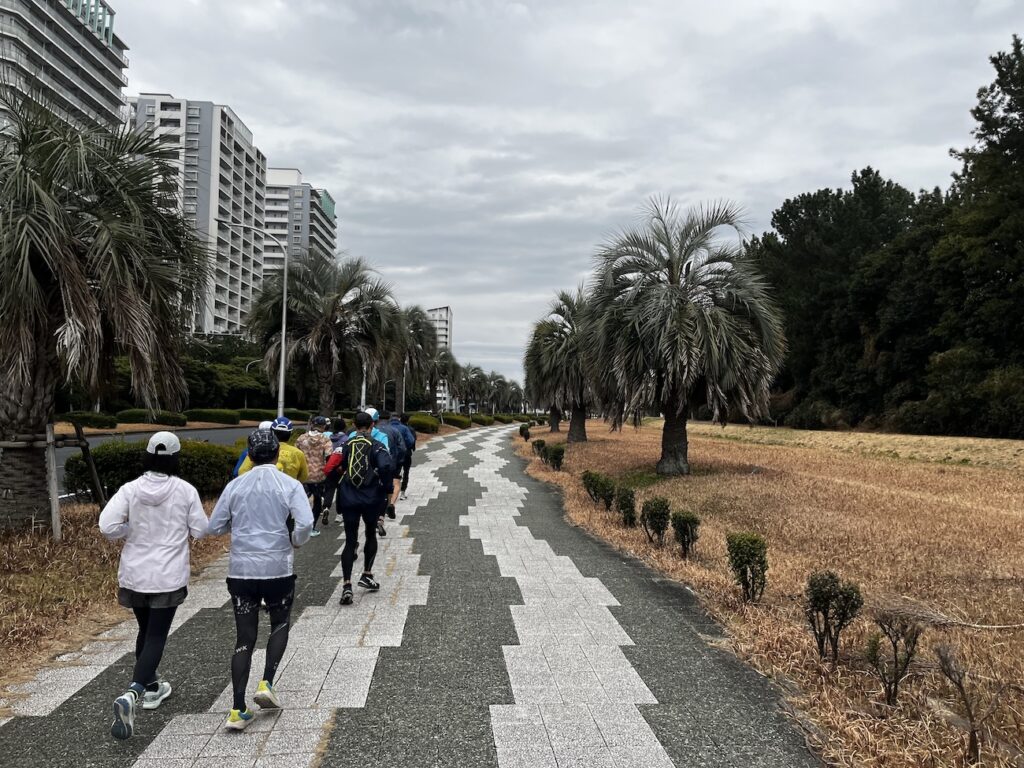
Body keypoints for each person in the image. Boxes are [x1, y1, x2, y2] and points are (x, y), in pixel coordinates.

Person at [99, 432, 209, 740]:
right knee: (157, 635)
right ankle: (133, 692)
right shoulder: (185, 490)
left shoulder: (130, 490)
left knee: (145, 632)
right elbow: (201, 530)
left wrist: (129, 529)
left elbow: (107, 526)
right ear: (175, 458)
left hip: (135, 573)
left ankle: (152, 687)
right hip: (168, 575)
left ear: (147, 456)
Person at [209, 429, 314, 731]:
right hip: (277, 566)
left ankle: (237, 708)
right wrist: (295, 539)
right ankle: (267, 681)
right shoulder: (289, 485)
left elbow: (215, 526)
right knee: (280, 623)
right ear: (278, 454)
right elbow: (305, 522)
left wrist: (237, 525)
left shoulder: (235, 487)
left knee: (244, 637)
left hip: (241, 569)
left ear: (250, 455)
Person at [326, 411, 393, 605]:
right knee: (370, 534)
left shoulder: (345, 445)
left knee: (350, 540)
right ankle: (366, 574)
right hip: (371, 498)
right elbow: (387, 467)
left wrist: (332, 488)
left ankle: (347, 585)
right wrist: (387, 489)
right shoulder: (377, 446)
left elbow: (330, 467)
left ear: (354, 426)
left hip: (348, 497)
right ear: (372, 425)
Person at [349, 408, 390, 537]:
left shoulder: (351, 437)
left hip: (351, 485)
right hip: (372, 484)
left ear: (354, 424)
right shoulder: (382, 438)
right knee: (370, 529)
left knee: (351, 526)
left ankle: (352, 543)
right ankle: (379, 519)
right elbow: (385, 461)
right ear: (373, 423)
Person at [237, 416, 309, 484]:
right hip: (288, 493)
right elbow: (304, 476)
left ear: (272, 432)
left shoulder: (262, 448)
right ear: (290, 433)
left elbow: (242, 471)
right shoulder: (298, 453)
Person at [296, 416, 333, 531]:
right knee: (317, 500)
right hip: (319, 475)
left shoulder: (301, 438)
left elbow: (296, 454)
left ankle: (299, 524)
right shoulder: (325, 439)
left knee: (301, 500)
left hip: (303, 474)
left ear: (312, 425)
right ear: (323, 426)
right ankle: (312, 527)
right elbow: (329, 456)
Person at [375, 410, 407, 521]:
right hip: (392, 463)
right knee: (395, 483)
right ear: (389, 418)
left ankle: (377, 509)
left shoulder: (373, 431)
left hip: (374, 464)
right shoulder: (395, 430)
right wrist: (399, 460)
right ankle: (391, 503)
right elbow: (402, 448)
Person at [322, 417, 348, 515]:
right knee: (341, 490)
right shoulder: (346, 439)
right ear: (344, 427)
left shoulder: (328, 438)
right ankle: (339, 514)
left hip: (329, 466)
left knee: (329, 488)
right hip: (341, 468)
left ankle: (326, 507)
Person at [394, 413, 417, 500]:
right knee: (406, 472)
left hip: (396, 453)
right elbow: (412, 440)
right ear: (408, 420)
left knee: (396, 472)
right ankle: (403, 492)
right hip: (407, 453)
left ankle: (394, 490)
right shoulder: (409, 429)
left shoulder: (394, 428)